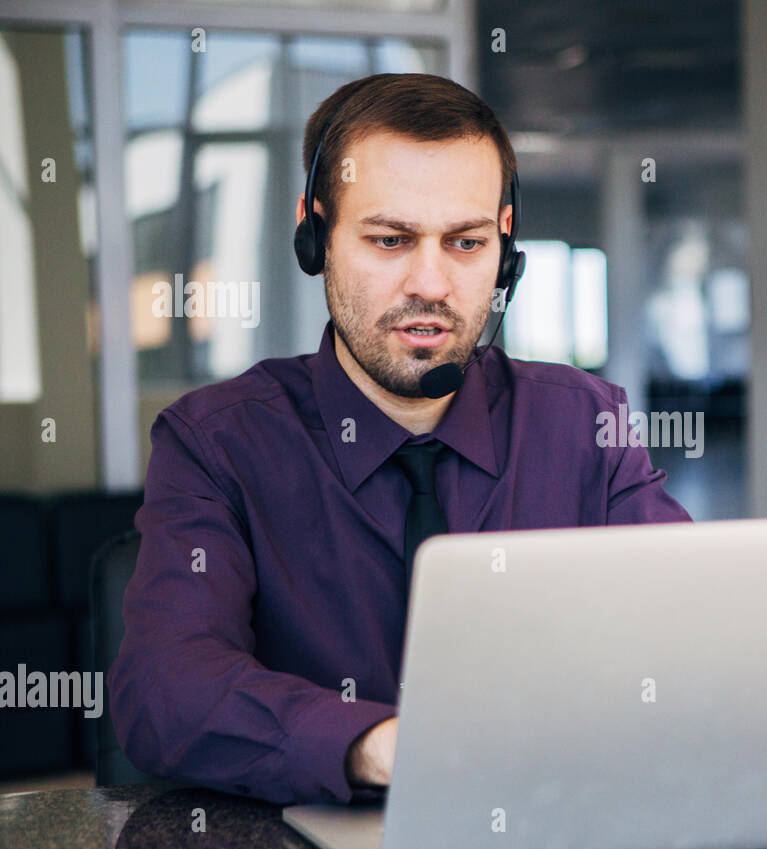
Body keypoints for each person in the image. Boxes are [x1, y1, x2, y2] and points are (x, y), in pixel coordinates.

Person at [107, 73, 692, 806]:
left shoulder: (584, 424)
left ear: (506, 248)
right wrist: (381, 746)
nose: (432, 283)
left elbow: (688, 633)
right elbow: (163, 692)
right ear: (314, 233)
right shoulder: (217, 443)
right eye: (391, 239)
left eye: (466, 242)